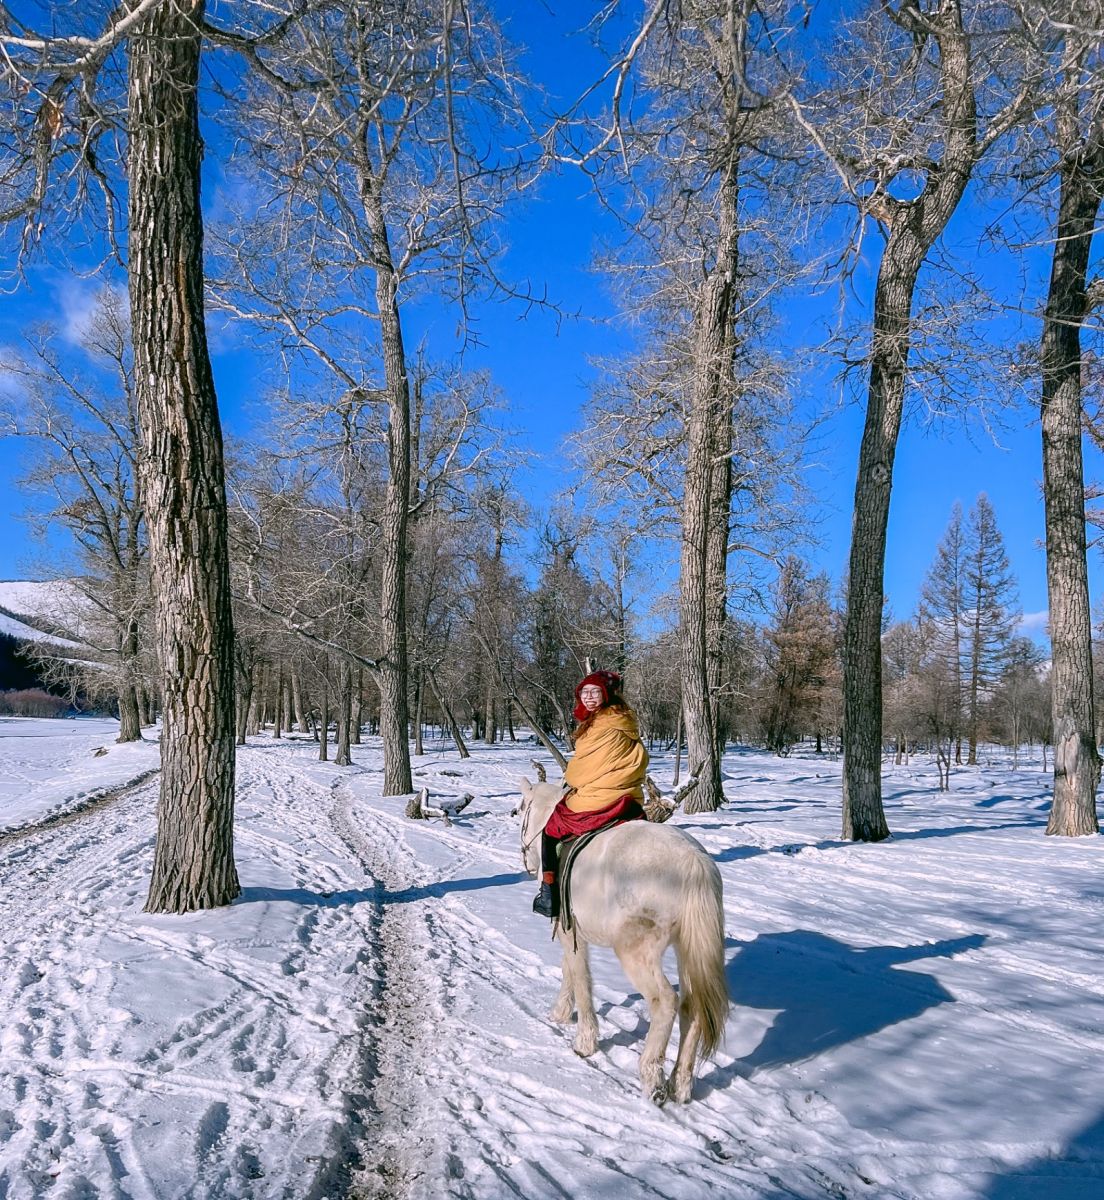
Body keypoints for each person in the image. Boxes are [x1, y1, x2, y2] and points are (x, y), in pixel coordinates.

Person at [533, 670, 649, 920]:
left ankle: (548, 895)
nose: (589, 697)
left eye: (595, 691)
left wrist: (573, 778)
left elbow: (579, 774)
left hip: (602, 799)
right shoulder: (622, 720)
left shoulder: (604, 726)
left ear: (607, 694)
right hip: (628, 796)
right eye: (584, 692)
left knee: (550, 829)